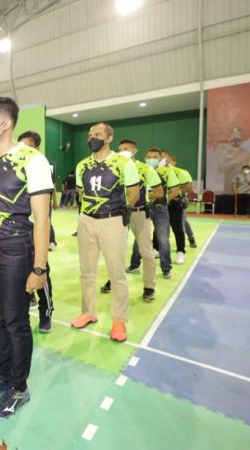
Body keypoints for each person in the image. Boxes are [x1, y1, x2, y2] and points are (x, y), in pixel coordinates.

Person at [0, 97, 52, 419]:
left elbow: (42, 219)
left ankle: (19, 387)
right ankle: (3, 376)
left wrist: (39, 268)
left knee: (15, 321)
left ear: (5, 124)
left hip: (16, 249)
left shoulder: (33, 160)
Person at [71, 123, 139, 342]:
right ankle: (88, 312)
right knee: (87, 271)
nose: (92, 138)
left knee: (116, 273)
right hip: (86, 221)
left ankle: (119, 321)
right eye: (90, 135)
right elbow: (81, 193)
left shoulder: (124, 163)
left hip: (113, 221)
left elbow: (134, 193)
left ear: (109, 138)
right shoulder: (82, 165)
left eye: (98, 135)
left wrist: (119, 213)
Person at [101, 140, 163, 302]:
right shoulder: (115, 168)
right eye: (120, 149)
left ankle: (149, 286)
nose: (122, 151)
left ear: (134, 151)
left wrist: (144, 196)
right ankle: (113, 280)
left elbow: (159, 192)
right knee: (115, 251)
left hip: (139, 213)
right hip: (118, 214)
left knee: (146, 252)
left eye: (126, 148)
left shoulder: (146, 169)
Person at [17, 131, 55, 332]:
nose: (24, 150)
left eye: (28, 146)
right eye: (21, 145)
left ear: (37, 148)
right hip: (17, 233)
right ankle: (28, 297)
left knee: (41, 271)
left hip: (35, 232)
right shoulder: (14, 167)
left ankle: (46, 312)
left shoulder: (41, 166)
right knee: (19, 273)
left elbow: (44, 213)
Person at [130, 148, 180, 279]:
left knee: (163, 239)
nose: (151, 159)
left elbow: (176, 190)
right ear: (145, 158)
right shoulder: (141, 170)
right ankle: (134, 264)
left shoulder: (167, 172)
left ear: (160, 159)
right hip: (144, 208)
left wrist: (164, 200)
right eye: (149, 157)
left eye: (155, 157)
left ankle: (166, 269)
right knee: (139, 238)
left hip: (160, 209)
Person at [162, 151, 189, 265]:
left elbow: (186, 187)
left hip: (175, 203)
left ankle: (180, 251)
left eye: (165, 157)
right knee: (159, 229)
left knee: (177, 228)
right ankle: (156, 249)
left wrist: (173, 196)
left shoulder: (179, 172)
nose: (163, 160)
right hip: (159, 204)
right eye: (161, 157)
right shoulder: (155, 171)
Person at [218, 127, 250, 194]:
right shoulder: (225, 153)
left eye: (238, 135)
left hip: (243, 188)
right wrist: (235, 162)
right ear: (230, 138)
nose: (236, 137)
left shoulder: (247, 153)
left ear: (241, 138)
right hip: (228, 188)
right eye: (233, 135)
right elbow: (220, 168)